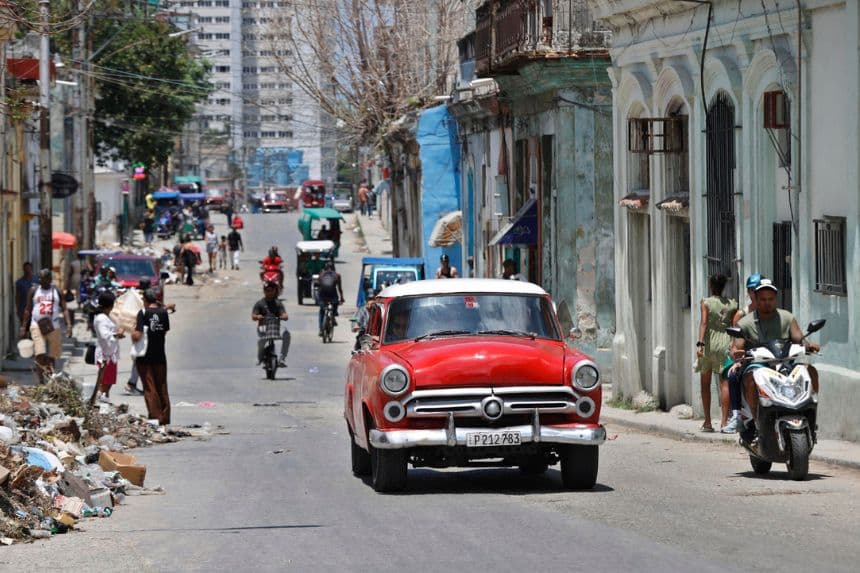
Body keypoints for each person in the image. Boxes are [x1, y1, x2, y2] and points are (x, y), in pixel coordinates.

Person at [731, 278, 820, 444]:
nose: (767, 303)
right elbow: (738, 345)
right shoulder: (746, 322)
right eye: (763, 299)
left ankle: (810, 417)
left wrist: (809, 345)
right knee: (749, 378)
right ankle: (756, 420)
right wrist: (737, 352)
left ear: (775, 299)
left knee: (810, 370)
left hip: (785, 362)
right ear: (755, 300)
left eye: (770, 299)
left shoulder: (787, 317)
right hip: (759, 364)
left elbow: (799, 339)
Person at [695, 274, 738, 432]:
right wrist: (733, 344)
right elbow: (734, 326)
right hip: (725, 344)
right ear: (724, 286)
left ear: (711, 286)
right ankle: (724, 421)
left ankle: (707, 422)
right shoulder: (732, 304)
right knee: (724, 383)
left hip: (709, 345)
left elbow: (704, 323)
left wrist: (700, 343)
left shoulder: (705, 303)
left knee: (705, 384)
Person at [720, 273, 762, 433]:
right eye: (752, 290)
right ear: (748, 292)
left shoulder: (772, 312)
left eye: (758, 289)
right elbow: (734, 342)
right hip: (748, 357)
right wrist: (737, 357)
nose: (755, 293)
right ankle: (736, 416)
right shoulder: (742, 315)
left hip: (769, 356)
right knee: (732, 375)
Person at [20, 269, 72, 383]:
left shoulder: (56, 290)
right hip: (36, 325)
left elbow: (64, 308)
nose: (40, 280)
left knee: (52, 355)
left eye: (42, 278)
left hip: (54, 326)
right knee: (40, 353)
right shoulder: (34, 290)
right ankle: (41, 382)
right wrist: (24, 327)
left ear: (49, 279)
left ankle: (51, 379)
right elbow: (28, 310)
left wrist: (69, 325)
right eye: (39, 278)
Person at [133, 289, 172, 426]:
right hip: (160, 354)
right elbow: (165, 331)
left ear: (145, 301)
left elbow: (137, 335)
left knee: (150, 388)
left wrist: (132, 333)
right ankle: (165, 418)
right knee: (162, 386)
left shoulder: (143, 313)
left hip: (145, 356)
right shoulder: (163, 312)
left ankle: (155, 418)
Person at [92, 291, 123, 404]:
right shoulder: (101, 318)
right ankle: (100, 404)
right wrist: (117, 334)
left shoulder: (105, 317)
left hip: (110, 354)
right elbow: (104, 335)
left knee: (108, 383)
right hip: (105, 355)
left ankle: (103, 404)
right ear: (110, 305)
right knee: (104, 383)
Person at [252, 281, 291, 367]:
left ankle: (282, 358)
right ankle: (260, 357)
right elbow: (253, 316)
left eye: (271, 290)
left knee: (286, 334)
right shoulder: (260, 303)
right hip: (263, 327)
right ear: (264, 291)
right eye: (267, 290)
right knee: (261, 341)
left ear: (274, 291)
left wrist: (284, 316)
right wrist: (257, 316)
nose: (269, 292)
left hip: (276, 326)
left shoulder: (278, 303)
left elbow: (284, 314)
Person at [316, 261, 344, 337]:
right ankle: (334, 314)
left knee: (322, 311)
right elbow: (339, 288)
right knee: (335, 304)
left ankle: (321, 329)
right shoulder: (337, 275)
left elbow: (318, 285)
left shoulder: (321, 274)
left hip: (322, 295)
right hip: (332, 295)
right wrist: (342, 298)